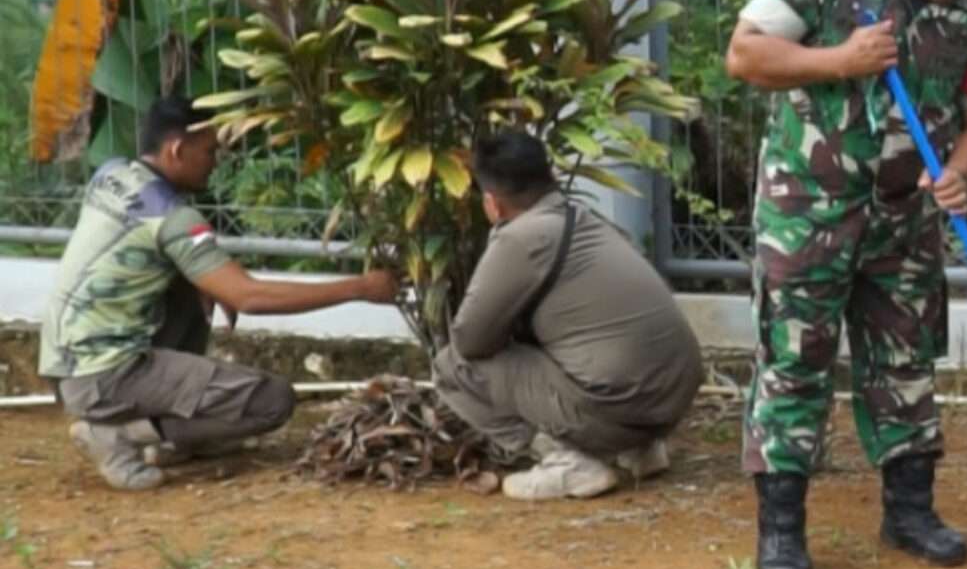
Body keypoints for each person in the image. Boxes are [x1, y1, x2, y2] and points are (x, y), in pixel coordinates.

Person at [725, 0, 967, 569]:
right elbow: (746, 54)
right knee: (796, 360)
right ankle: (782, 536)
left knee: (906, 363)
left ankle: (910, 513)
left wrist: (960, 171)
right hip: (806, 209)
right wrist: (841, 61)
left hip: (905, 217)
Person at [41, 96, 398, 490]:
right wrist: (361, 288)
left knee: (192, 290)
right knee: (272, 400)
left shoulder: (112, 173)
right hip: (106, 372)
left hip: (63, 362)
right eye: (209, 151)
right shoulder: (172, 217)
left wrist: (202, 283)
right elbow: (249, 297)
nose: (215, 161)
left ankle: (174, 432)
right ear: (177, 149)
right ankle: (118, 435)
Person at [432, 130, 703, 501]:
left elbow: (470, 340)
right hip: (672, 401)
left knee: (454, 367)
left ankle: (569, 462)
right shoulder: (583, 218)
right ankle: (640, 451)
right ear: (551, 177)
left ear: (492, 203)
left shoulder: (521, 237)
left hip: (620, 407)